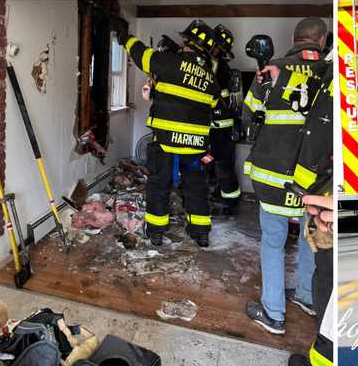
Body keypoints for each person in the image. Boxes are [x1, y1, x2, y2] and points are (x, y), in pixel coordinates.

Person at [244, 18, 328, 335]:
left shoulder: (273, 69)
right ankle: (306, 296)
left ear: (295, 39)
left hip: (274, 176)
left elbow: (251, 110)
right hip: (314, 180)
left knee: (273, 241)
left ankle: (274, 313)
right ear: (322, 41)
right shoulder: (332, 74)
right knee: (310, 238)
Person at [123, 20, 220, 248]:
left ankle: (156, 232)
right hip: (195, 146)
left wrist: (126, 37)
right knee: (196, 187)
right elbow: (213, 103)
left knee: (159, 186)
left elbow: (141, 55)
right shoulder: (211, 78)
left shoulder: (167, 62)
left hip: (166, 142)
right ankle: (201, 232)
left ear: (187, 42)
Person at [287, 63, 334, 366]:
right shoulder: (323, 77)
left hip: (322, 198)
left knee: (327, 275)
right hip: (322, 199)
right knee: (324, 272)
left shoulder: (321, 79)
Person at [206, 24, 242, 216]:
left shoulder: (217, 66)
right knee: (215, 164)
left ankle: (231, 202)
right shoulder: (219, 65)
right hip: (218, 126)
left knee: (222, 166)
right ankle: (224, 197)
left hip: (220, 127)